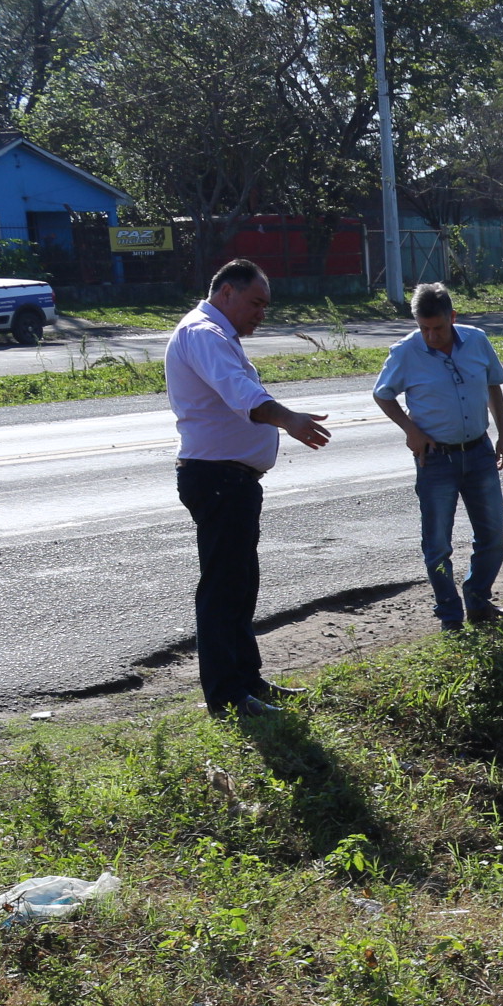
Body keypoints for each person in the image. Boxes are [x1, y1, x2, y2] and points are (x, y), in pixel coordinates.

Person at [167, 258, 333, 716]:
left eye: (265, 305)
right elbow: (240, 392)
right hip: (217, 478)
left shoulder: (217, 333)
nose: (262, 313)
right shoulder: (204, 333)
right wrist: (287, 419)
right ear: (227, 292)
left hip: (232, 479)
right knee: (223, 589)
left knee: (240, 585)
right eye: (256, 303)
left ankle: (247, 682)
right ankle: (227, 697)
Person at [373, 282, 503, 630]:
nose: (431, 336)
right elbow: (383, 394)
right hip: (436, 459)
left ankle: (478, 601)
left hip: (479, 452)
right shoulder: (405, 352)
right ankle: (450, 616)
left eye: (437, 328)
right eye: (424, 328)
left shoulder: (477, 340)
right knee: (437, 545)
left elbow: (493, 384)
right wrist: (411, 430)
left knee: (493, 537)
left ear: (452, 317)